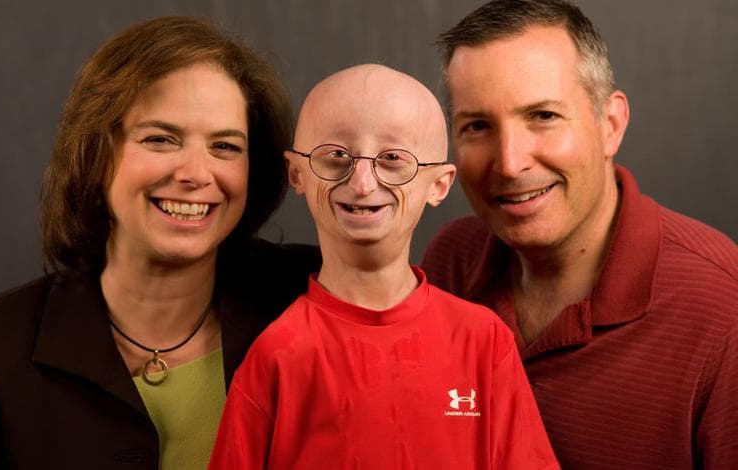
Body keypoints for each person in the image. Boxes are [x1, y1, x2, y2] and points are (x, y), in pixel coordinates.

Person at [0, 16, 320, 469]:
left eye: (225, 147)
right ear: (95, 153)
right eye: (160, 139)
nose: (195, 173)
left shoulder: (310, 298)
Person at [422, 0, 738, 468]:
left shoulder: (722, 309)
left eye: (543, 116)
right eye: (478, 126)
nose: (510, 163)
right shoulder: (449, 263)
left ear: (610, 125)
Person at [208, 64, 559, 469]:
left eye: (393, 158)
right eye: (336, 156)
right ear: (296, 173)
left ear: (439, 184)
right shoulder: (275, 355)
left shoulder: (482, 342)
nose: (362, 182)